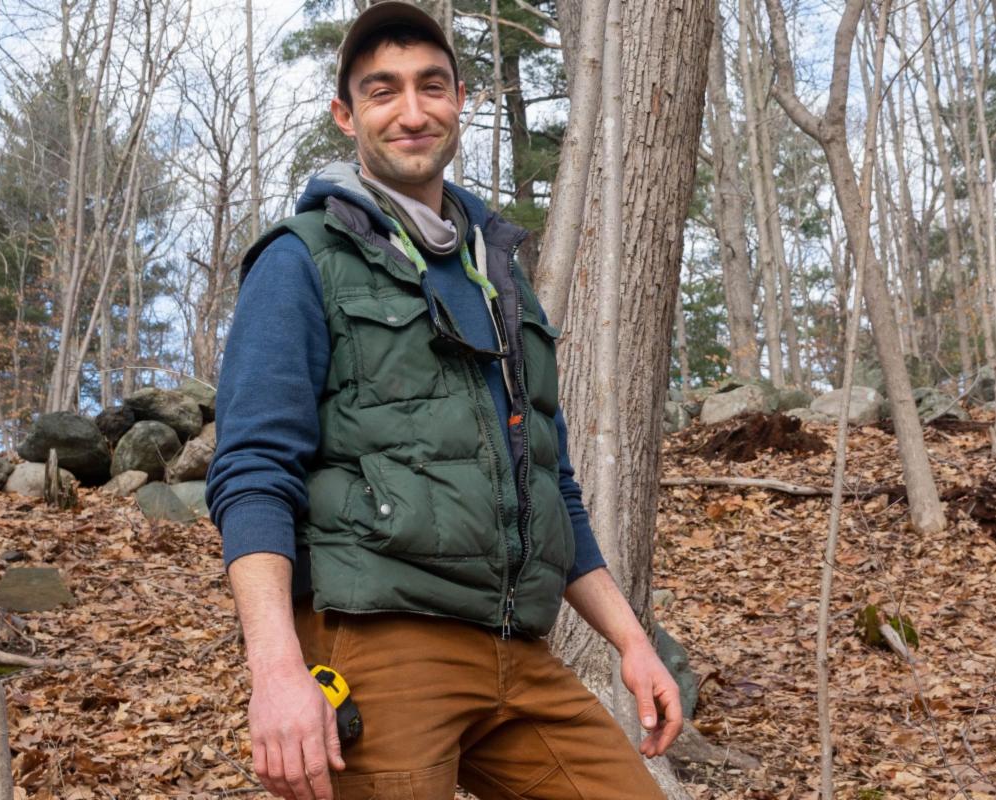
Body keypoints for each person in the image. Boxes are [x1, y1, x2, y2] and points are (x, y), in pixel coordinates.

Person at [205, 4, 682, 798]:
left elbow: (550, 482)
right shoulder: (301, 259)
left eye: (432, 86)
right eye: (382, 90)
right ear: (345, 114)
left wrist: (632, 642)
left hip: (519, 649)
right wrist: (276, 671)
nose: (412, 111)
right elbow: (253, 472)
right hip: (381, 640)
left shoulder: (498, 273)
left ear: (461, 100)